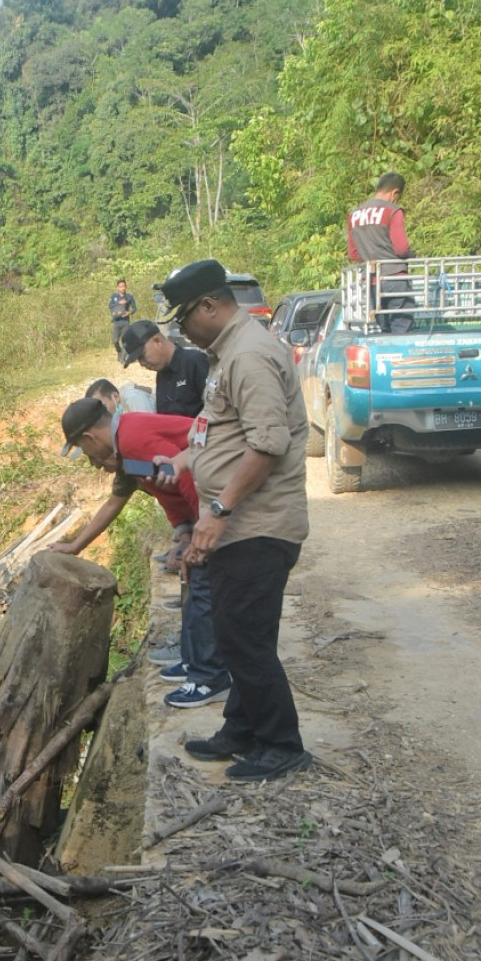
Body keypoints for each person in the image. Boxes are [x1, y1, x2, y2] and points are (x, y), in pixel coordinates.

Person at [157, 258, 311, 780]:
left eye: (183, 318)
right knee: (238, 631)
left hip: (257, 523)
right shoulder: (229, 354)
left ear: (210, 306)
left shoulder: (249, 356)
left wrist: (219, 510)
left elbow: (268, 443)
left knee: (244, 637)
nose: (180, 330)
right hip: (240, 524)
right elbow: (217, 431)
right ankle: (242, 728)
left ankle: (281, 743)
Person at [53, 397, 230, 710]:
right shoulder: (125, 452)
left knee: (203, 583)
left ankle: (210, 677)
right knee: (192, 582)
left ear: (90, 438)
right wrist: (184, 532)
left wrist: (200, 530)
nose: (91, 461)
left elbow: (190, 476)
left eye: (85, 450)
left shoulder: (133, 439)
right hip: (203, 506)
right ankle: (193, 661)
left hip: (220, 491)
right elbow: (162, 490)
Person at [347, 171, 415, 333]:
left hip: (371, 282)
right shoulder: (393, 211)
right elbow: (401, 249)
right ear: (395, 192)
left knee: (384, 327)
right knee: (401, 324)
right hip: (395, 278)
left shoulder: (354, 215)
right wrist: (412, 255)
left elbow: (354, 254)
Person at [120, 319, 210, 417]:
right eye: (138, 360)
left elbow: (215, 409)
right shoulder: (161, 376)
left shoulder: (194, 362)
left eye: (142, 356)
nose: (142, 363)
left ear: (157, 341)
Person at [85, 376, 155, 415]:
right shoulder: (119, 408)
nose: (101, 413)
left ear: (115, 397)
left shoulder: (133, 398)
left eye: (103, 406)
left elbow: (149, 428)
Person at [108, 279, 137, 360]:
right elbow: (110, 306)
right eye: (120, 287)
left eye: (124, 286)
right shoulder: (114, 296)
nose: (122, 288)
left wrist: (129, 312)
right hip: (116, 321)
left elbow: (134, 308)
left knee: (124, 340)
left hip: (125, 321)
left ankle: (123, 357)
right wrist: (118, 303)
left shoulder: (129, 297)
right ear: (117, 287)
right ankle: (119, 351)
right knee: (115, 340)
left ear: (126, 287)